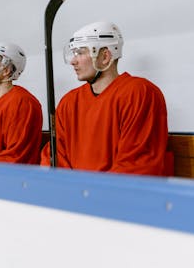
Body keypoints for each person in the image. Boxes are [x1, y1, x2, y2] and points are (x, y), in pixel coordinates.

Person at [40, 21, 171, 175]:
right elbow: (54, 155)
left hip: (115, 196)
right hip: (76, 195)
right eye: (74, 53)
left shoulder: (140, 94)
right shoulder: (69, 102)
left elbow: (138, 164)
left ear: (105, 56)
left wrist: (91, 193)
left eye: (80, 53)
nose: (73, 61)